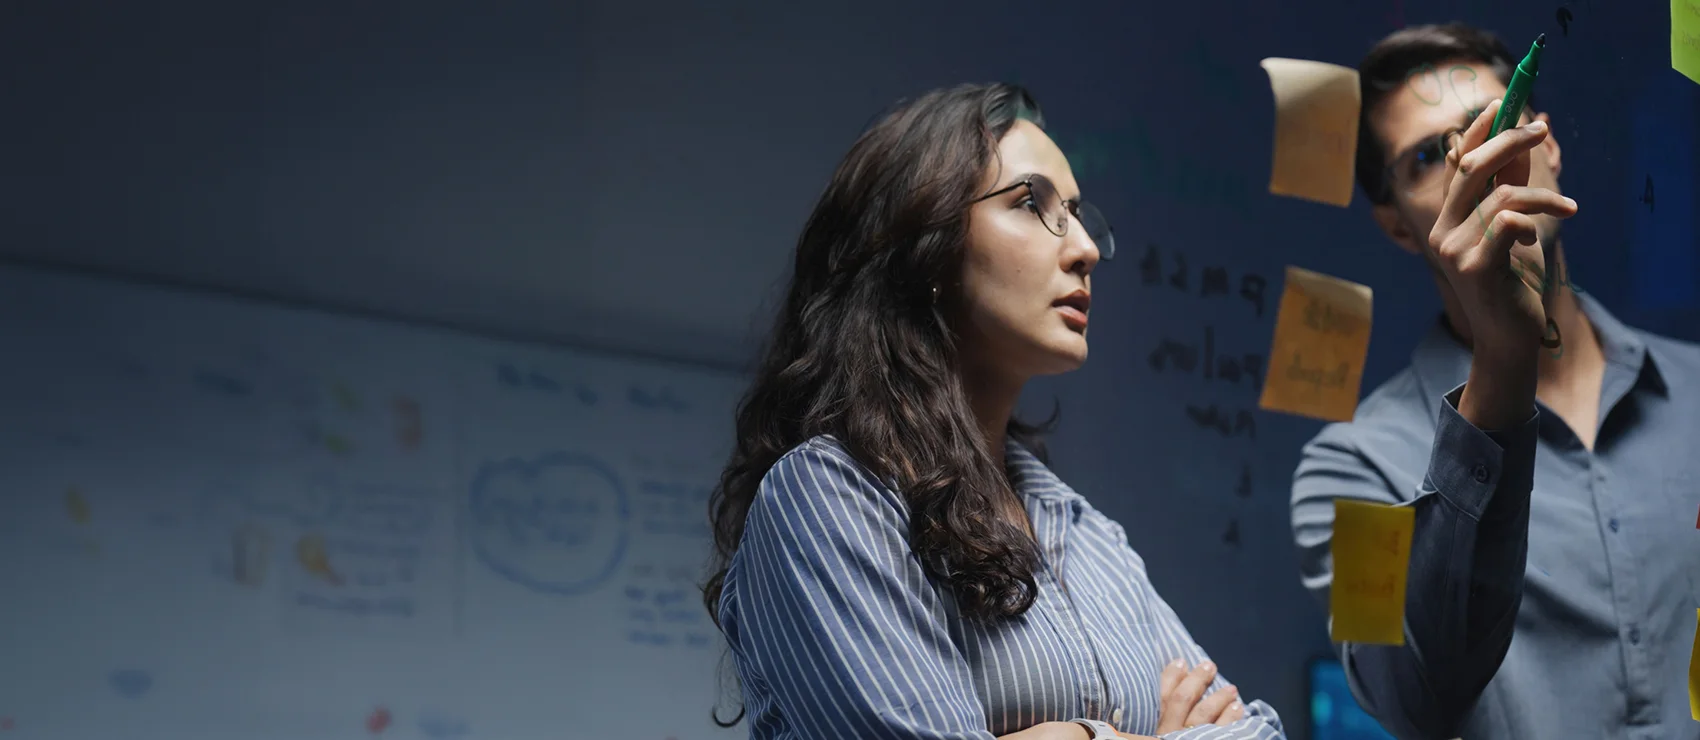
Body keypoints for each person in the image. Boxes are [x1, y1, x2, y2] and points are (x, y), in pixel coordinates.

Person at [700, 83, 1285, 740]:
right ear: (926, 245)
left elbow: (1259, 732)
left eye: (1077, 213)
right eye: (1031, 204)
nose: (1086, 248)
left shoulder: (1086, 533)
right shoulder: (828, 496)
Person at [1290, 23, 1700, 740]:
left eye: (1497, 121)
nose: (1473, 163)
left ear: (1548, 145)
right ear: (1396, 224)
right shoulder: (1345, 473)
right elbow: (1409, 700)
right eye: (1427, 156)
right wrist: (1504, 359)